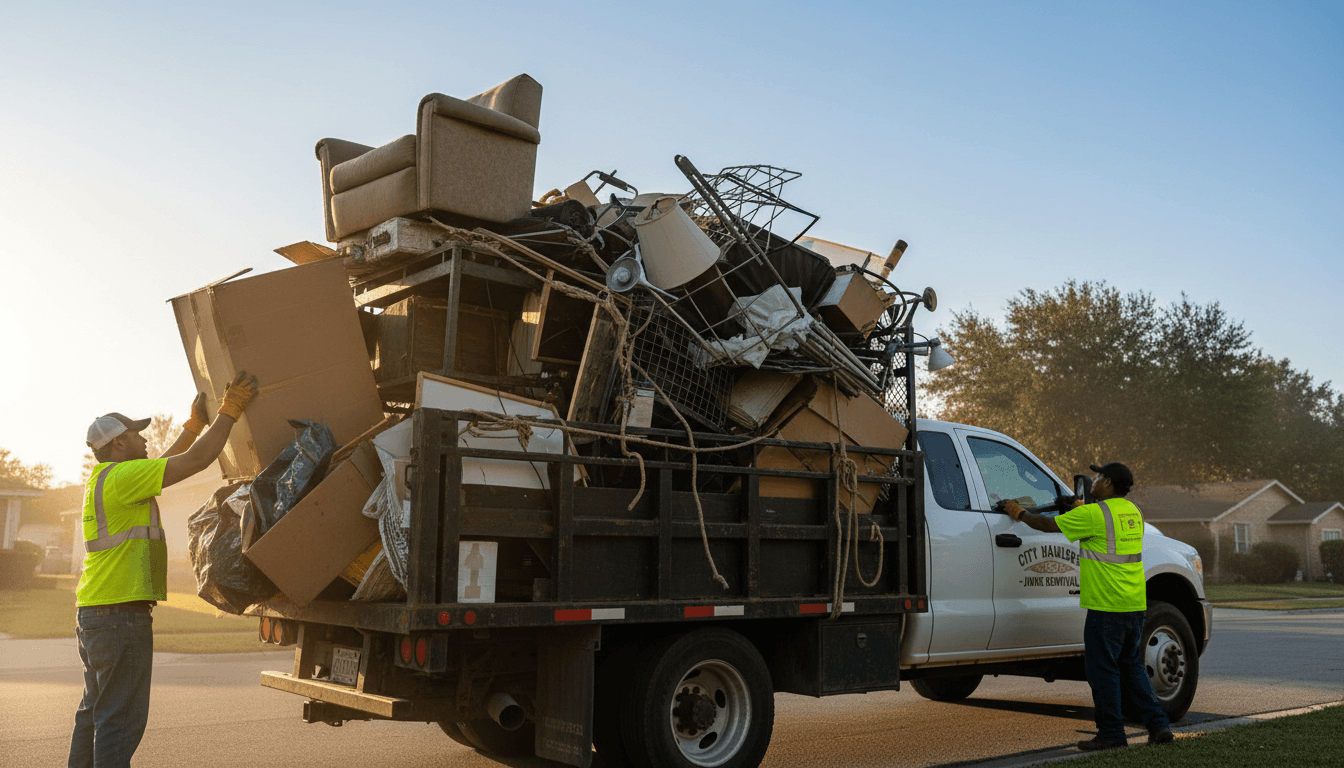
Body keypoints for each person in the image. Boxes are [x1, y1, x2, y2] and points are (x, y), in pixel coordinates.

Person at [69, 371, 259, 768]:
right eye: (136, 434)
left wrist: (194, 425)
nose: (143, 438)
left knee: (94, 715)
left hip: (96, 614)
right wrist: (229, 410)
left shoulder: (107, 478)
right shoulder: (123, 478)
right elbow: (195, 461)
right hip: (121, 616)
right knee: (119, 722)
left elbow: (163, 464)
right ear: (119, 443)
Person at [1002, 462, 1175, 752]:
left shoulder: (1094, 514)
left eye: (1097, 478)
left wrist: (1017, 512)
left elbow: (1047, 524)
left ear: (1107, 482)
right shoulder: (1133, 512)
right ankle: (1159, 726)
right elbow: (1102, 525)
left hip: (1105, 607)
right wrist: (1079, 506)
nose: (1093, 482)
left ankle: (1111, 734)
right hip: (1133, 605)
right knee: (1131, 668)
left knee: (1102, 671)